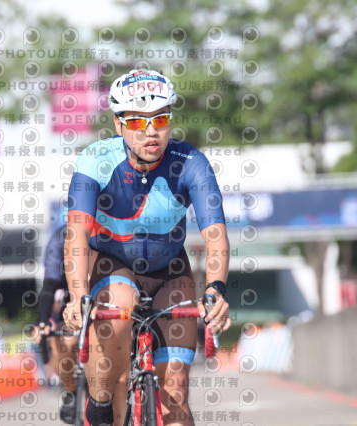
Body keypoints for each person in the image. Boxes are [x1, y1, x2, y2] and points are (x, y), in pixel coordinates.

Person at [62, 69, 231, 426]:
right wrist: (77, 296)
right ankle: (100, 400)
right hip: (113, 262)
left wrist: (215, 290)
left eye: (161, 119)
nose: (151, 131)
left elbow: (215, 234)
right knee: (121, 308)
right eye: (137, 122)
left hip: (170, 269)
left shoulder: (190, 162)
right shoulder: (95, 160)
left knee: (175, 392)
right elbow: (76, 234)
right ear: (118, 124)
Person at [35, 224, 80, 423]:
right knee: (63, 343)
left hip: (106, 296)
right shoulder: (60, 239)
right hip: (71, 302)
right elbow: (49, 284)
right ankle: (70, 392)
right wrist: (43, 321)